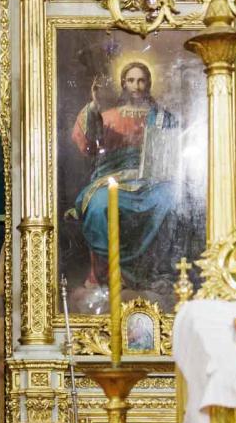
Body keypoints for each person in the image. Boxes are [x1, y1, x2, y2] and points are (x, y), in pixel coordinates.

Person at [66, 61, 181, 288]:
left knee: (170, 198)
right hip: (112, 180)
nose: (136, 86)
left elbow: (172, 151)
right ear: (123, 84)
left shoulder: (162, 117)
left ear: (149, 83)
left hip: (151, 182)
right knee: (99, 205)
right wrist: (94, 107)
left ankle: (158, 273)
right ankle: (108, 275)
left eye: (141, 80)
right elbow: (88, 145)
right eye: (131, 80)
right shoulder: (107, 116)